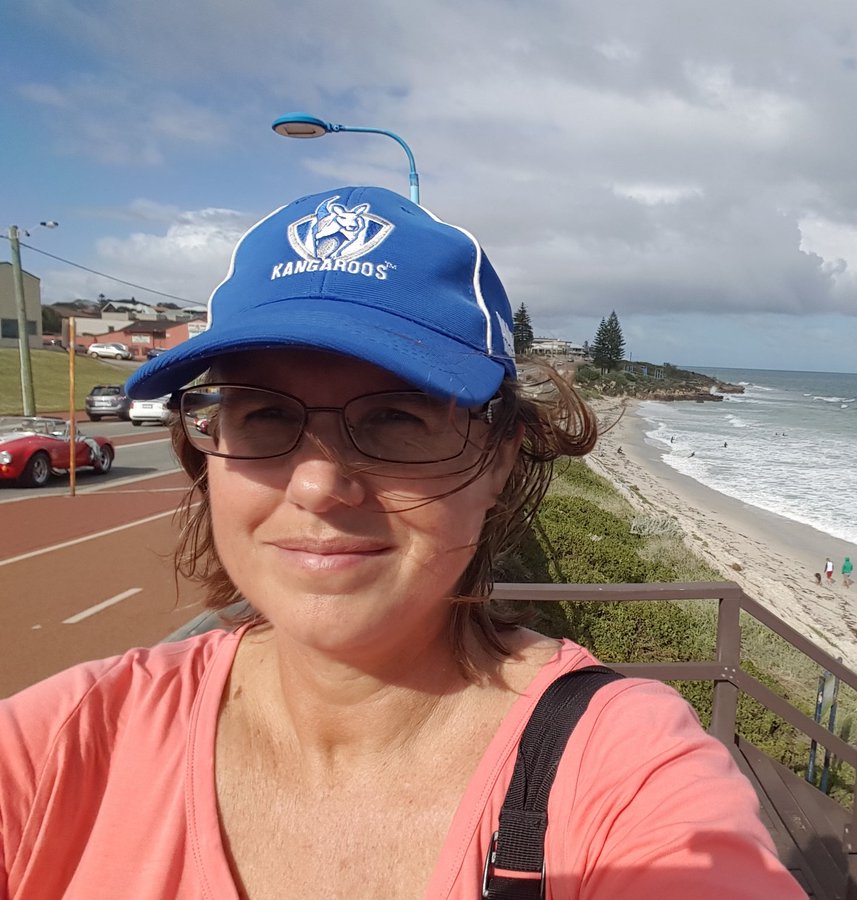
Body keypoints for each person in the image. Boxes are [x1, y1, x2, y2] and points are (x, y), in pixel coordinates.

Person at [0, 185, 805, 898]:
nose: (319, 486)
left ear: (500, 459)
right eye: (265, 415)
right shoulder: (60, 747)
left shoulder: (623, 769)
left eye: (396, 417)